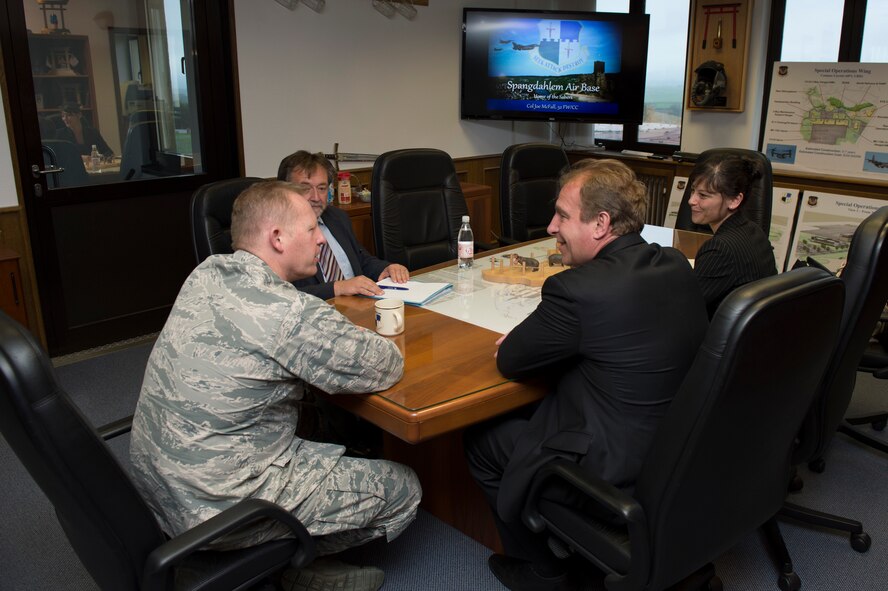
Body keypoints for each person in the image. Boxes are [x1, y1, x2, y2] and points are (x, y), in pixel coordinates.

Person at [130, 180, 421, 591]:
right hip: (221, 506)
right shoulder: (288, 312)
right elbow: (383, 365)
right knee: (404, 489)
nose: (322, 239)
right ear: (278, 238)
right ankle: (283, 564)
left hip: (157, 488)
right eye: (312, 229)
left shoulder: (205, 273)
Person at [464, 159, 708, 591]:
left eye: (562, 215)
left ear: (600, 223)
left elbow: (511, 360)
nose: (550, 227)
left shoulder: (578, 290)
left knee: (483, 440)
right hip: (682, 459)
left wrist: (532, 338)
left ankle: (543, 570)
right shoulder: (673, 263)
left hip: (615, 476)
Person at [277, 151, 409, 299]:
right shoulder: (277, 234)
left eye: (321, 188)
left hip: (359, 304)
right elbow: (279, 295)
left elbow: (361, 259)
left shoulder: (337, 217)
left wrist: (385, 268)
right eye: (305, 188)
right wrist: (337, 288)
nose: (316, 197)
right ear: (284, 191)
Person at [688, 154, 778, 318]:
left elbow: (685, 305)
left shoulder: (720, 249)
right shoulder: (754, 230)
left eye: (703, 195)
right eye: (693, 191)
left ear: (735, 200)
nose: (691, 200)